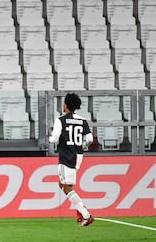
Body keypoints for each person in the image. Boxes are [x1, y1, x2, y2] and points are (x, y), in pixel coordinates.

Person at [49, 93, 95, 227]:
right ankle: (80, 211)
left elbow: (55, 138)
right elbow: (90, 139)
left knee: (66, 187)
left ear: (67, 105)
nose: (63, 105)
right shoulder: (82, 120)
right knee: (63, 184)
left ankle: (86, 214)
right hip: (78, 156)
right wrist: (83, 145)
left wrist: (50, 139)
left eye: (64, 103)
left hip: (66, 155)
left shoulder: (61, 120)